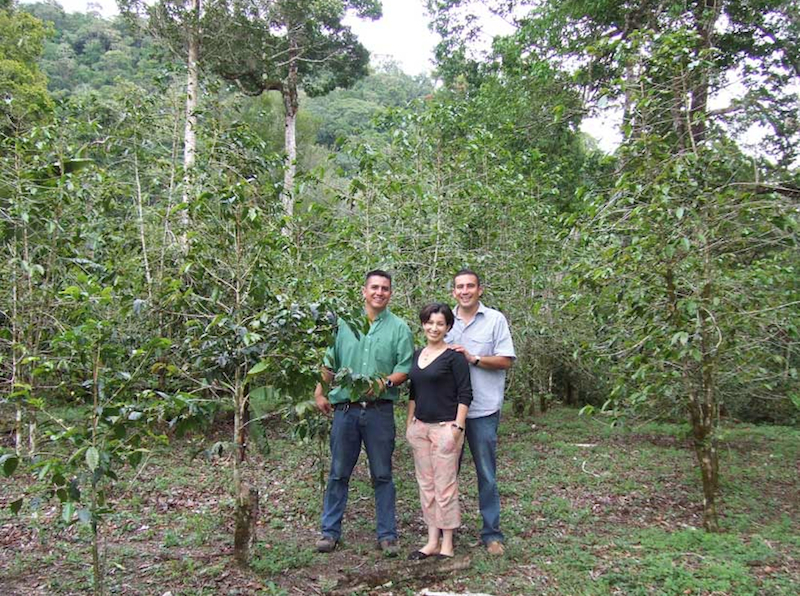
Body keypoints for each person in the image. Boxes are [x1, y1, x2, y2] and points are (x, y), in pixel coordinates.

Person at [313, 270, 414, 556]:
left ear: (390, 293)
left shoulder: (399, 328)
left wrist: (386, 382)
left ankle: (387, 535)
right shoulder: (344, 325)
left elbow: (405, 367)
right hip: (346, 411)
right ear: (364, 291)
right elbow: (329, 363)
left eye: (385, 288)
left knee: (382, 474)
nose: (379, 292)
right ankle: (329, 532)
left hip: (380, 413)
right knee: (338, 473)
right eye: (374, 287)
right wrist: (320, 391)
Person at [446, 269, 516, 556]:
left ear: (480, 289)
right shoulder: (445, 320)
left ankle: (492, 534)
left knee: (486, 473)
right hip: (450, 412)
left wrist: (473, 358)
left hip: (484, 409)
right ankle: (444, 533)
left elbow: (506, 360)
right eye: (459, 287)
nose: (465, 291)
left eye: (470, 286)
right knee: (448, 474)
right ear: (453, 292)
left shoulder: (495, 320)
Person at [405, 303, 472, 560]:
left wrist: (457, 427)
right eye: (430, 322)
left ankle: (447, 543)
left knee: (445, 487)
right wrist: (410, 423)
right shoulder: (417, 354)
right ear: (423, 324)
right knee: (427, 485)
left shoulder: (454, 357)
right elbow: (414, 391)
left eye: (440, 324)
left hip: (445, 428)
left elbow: (465, 393)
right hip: (420, 428)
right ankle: (431, 540)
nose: (434, 328)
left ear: (448, 327)